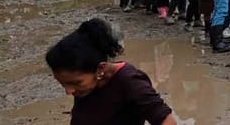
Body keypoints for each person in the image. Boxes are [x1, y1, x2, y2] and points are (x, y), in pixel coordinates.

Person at [45, 18, 176, 125]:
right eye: (63, 84)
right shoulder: (86, 86)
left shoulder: (129, 82)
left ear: (100, 69)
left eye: (75, 83)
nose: (69, 91)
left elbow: (167, 121)